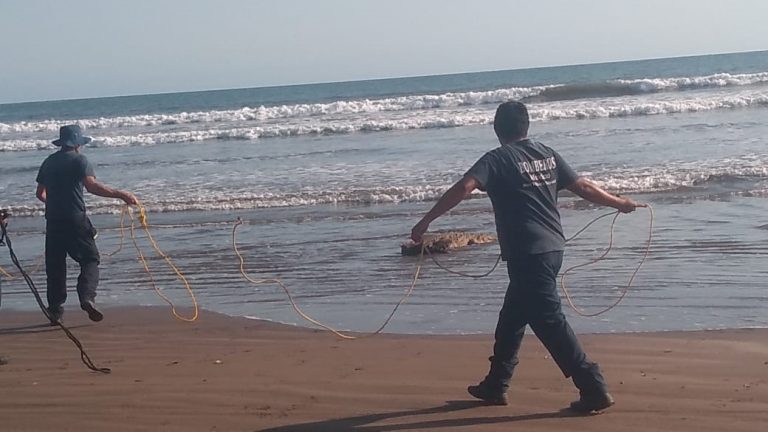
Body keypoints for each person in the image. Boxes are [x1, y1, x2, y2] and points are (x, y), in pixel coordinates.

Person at [410, 101, 642, 413]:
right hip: (552, 249)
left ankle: (593, 386)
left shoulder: (496, 159)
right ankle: (496, 384)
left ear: (497, 129)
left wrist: (426, 221)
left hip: (528, 254)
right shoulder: (546, 153)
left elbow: (464, 187)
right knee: (512, 318)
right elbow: (583, 187)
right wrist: (619, 202)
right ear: (526, 127)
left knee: (549, 322)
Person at [35, 125, 137, 324]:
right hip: (75, 219)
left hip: (53, 220)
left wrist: (56, 203)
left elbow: (40, 194)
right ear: (77, 144)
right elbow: (92, 186)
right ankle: (86, 297)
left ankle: (55, 311)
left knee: (55, 266)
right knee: (90, 259)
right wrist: (121, 194)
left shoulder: (48, 161)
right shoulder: (80, 160)